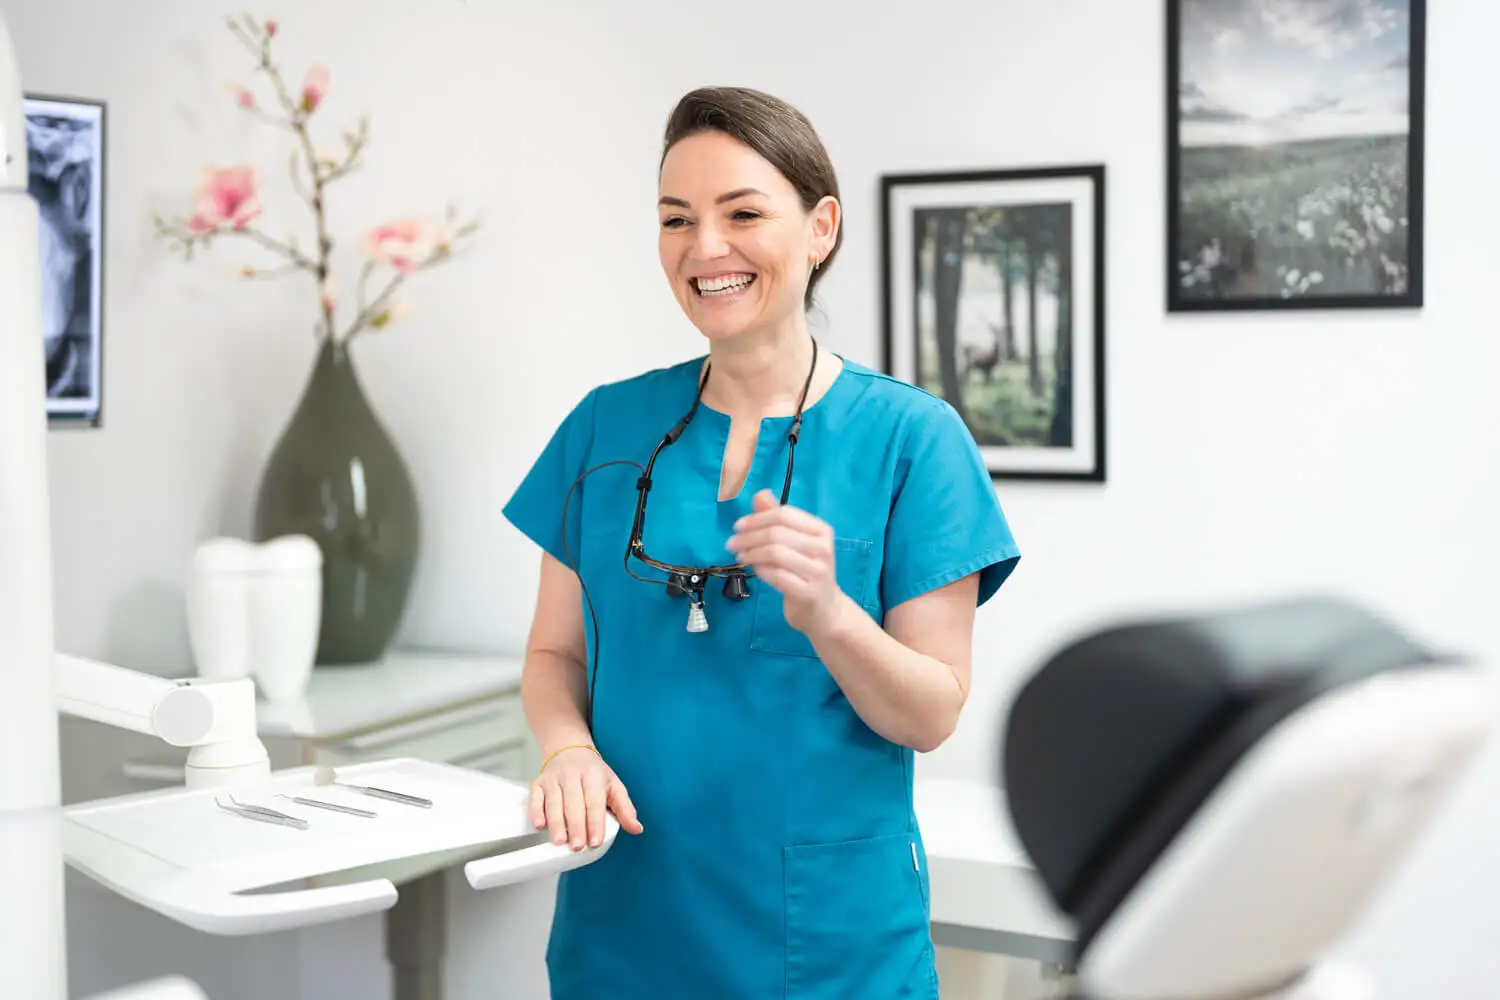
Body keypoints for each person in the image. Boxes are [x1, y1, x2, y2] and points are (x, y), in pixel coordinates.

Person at [502, 85, 1021, 1000]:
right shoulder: (602, 427)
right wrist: (564, 748)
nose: (706, 247)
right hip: (624, 930)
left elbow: (931, 714)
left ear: (821, 228)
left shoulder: (912, 439)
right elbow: (554, 656)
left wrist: (829, 615)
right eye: (677, 219)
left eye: (742, 213)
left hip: (829, 950)